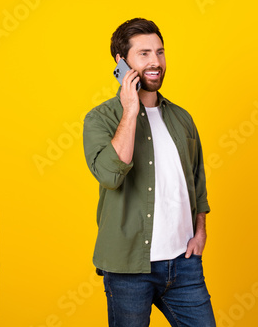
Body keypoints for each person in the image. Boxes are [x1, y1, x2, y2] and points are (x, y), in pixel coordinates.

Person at [83, 18, 216, 327]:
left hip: (184, 265)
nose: (156, 62)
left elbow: (197, 178)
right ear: (121, 62)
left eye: (160, 52)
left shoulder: (182, 118)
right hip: (128, 269)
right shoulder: (100, 119)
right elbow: (110, 175)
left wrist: (200, 229)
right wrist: (130, 109)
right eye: (144, 54)